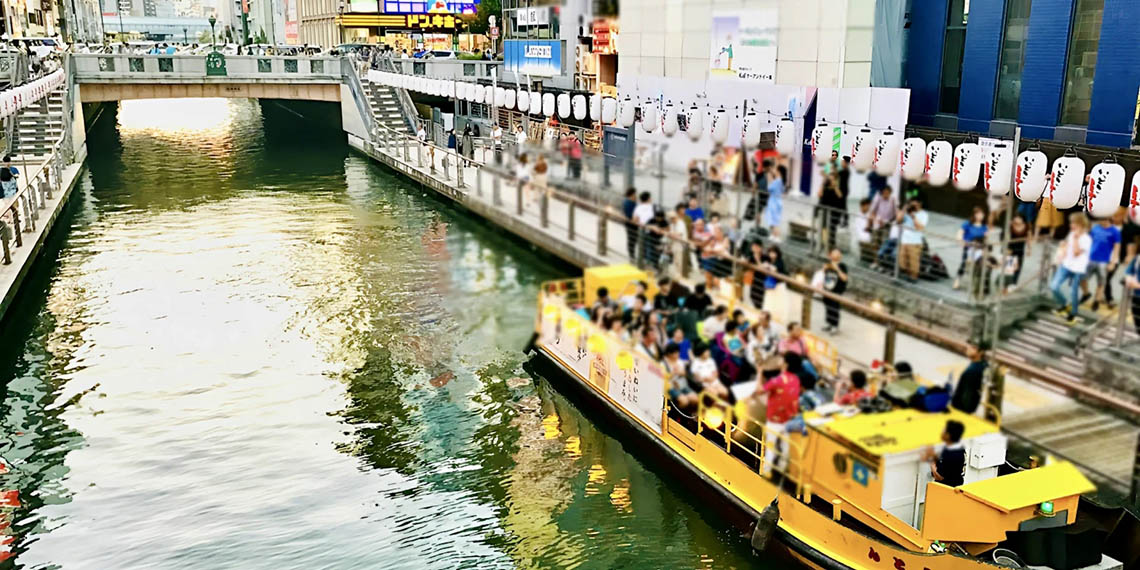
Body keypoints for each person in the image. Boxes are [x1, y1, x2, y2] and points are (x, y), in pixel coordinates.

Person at [758, 353, 802, 476]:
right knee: (785, 448)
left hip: (774, 421)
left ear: (785, 364)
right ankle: (782, 469)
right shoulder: (796, 380)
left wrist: (759, 373)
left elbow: (759, 390)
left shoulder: (777, 381)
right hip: (788, 420)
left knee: (770, 447)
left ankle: (766, 471)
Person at [1051, 213, 1092, 323]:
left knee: (1073, 291)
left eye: (1074, 223)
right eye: (1071, 223)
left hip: (1078, 269)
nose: (1071, 225)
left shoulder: (1086, 239)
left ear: (1081, 224)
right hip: (1066, 265)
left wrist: (1075, 239)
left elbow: (1076, 252)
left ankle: (1074, 313)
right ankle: (1064, 304)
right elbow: (1067, 246)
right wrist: (1061, 254)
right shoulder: (1071, 234)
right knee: (1054, 286)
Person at [1086, 216, 1121, 311]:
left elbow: (1117, 248)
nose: (1100, 221)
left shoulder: (1115, 231)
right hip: (1092, 258)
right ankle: (1086, 294)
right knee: (1083, 278)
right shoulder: (1095, 228)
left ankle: (1097, 300)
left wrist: (1112, 263)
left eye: (1102, 219)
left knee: (1102, 282)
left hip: (1105, 260)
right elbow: (1089, 241)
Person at [954, 206, 990, 290]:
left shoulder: (984, 226)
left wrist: (985, 246)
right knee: (963, 264)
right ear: (974, 215)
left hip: (979, 249)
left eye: (981, 214)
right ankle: (957, 279)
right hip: (968, 247)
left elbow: (986, 238)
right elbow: (959, 233)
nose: (980, 216)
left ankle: (977, 283)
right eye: (978, 214)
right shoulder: (967, 223)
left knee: (981, 265)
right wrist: (961, 241)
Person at [923, 420, 966, 488]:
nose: (941, 433)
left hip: (947, 489)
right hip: (954, 484)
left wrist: (931, 459)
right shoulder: (955, 447)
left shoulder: (953, 455)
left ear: (948, 435)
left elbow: (938, 477)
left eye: (944, 431)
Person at [951, 341, 988, 414]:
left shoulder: (972, 372)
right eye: (969, 346)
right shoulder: (983, 364)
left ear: (981, 352)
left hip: (961, 410)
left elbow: (966, 398)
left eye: (973, 348)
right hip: (971, 407)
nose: (969, 349)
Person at [899, 198, 928, 281]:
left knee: (913, 262)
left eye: (914, 204)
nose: (913, 206)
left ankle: (913, 277)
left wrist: (913, 216)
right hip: (904, 240)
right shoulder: (907, 212)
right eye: (911, 204)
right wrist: (904, 209)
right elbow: (898, 220)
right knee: (902, 261)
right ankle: (907, 275)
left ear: (920, 203)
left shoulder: (924, 214)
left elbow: (920, 227)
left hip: (915, 241)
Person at [821, 248, 848, 334]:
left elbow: (844, 278)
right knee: (827, 306)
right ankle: (829, 323)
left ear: (840, 256)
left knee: (834, 307)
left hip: (837, 290)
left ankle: (835, 326)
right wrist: (824, 269)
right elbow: (823, 276)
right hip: (827, 289)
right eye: (833, 253)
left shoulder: (842, 266)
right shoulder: (828, 264)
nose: (834, 255)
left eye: (836, 253)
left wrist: (837, 269)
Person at [664, 344, 697, 409]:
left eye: (678, 352)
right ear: (669, 354)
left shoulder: (680, 361)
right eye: (675, 353)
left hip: (682, 385)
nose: (677, 354)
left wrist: (681, 373)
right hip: (672, 387)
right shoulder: (664, 363)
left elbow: (685, 373)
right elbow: (664, 378)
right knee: (684, 401)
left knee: (695, 399)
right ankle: (676, 412)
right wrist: (673, 373)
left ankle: (688, 412)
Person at [763, 163, 787, 240]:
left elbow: (769, 188)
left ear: (779, 171)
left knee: (774, 221)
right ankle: (774, 235)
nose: (775, 171)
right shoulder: (782, 181)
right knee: (774, 220)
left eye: (776, 170)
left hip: (773, 202)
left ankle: (777, 236)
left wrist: (770, 180)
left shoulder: (777, 181)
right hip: (778, 201)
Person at [632, 191, 656, 264]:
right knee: (651, 247)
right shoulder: (653, 207)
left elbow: (634, 220)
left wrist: (640, 223)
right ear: (648, 199)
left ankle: (643, 261)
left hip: (641, 230)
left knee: (642, 246)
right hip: (652, 230)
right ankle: (649, 263)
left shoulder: (638, 208)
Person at [1123, 242, 1140, 335]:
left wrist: (1137, 285)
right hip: (1137, 296)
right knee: (1138, 325)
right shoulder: (1138, 258)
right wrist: (1129, 279)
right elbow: (1129, 271)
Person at [622, 188, 639, 261]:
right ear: (632, 194)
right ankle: (631, 255)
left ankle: (631, 254)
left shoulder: (628, 201)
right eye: (635, 194)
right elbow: (630, 215)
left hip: (630, 223)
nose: (636, 195)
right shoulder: (629, 203)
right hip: (631, 223)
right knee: (632, 239)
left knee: (632, 239)